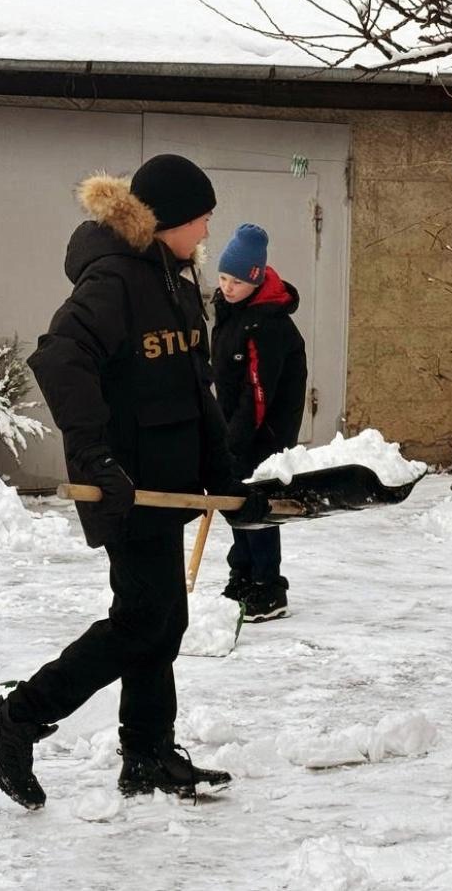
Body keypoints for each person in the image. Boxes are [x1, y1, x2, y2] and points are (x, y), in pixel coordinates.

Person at [0, 154, 270, 810]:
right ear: (168, 221)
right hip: (128, 485)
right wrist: (96, 456)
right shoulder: (117, 280)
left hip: (168, 487)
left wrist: (222, 474)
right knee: (140, 622)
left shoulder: (178, 281)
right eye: (201, 215)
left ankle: (148, 754)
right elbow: (61, 357)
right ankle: (13, 721)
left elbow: (197, 387)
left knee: (164, 621)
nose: (209, 226)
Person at [210, 223, 308, 621]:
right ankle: (243, 575)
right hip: (236, 425)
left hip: (263, 432)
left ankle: (269, 587)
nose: (227, 287)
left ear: (254, 279)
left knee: (255, 506)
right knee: (234, 501)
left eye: (235, 280)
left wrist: (233, 441)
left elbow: (259, 394)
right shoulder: (233, 312)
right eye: (222, 277)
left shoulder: (266, 324)